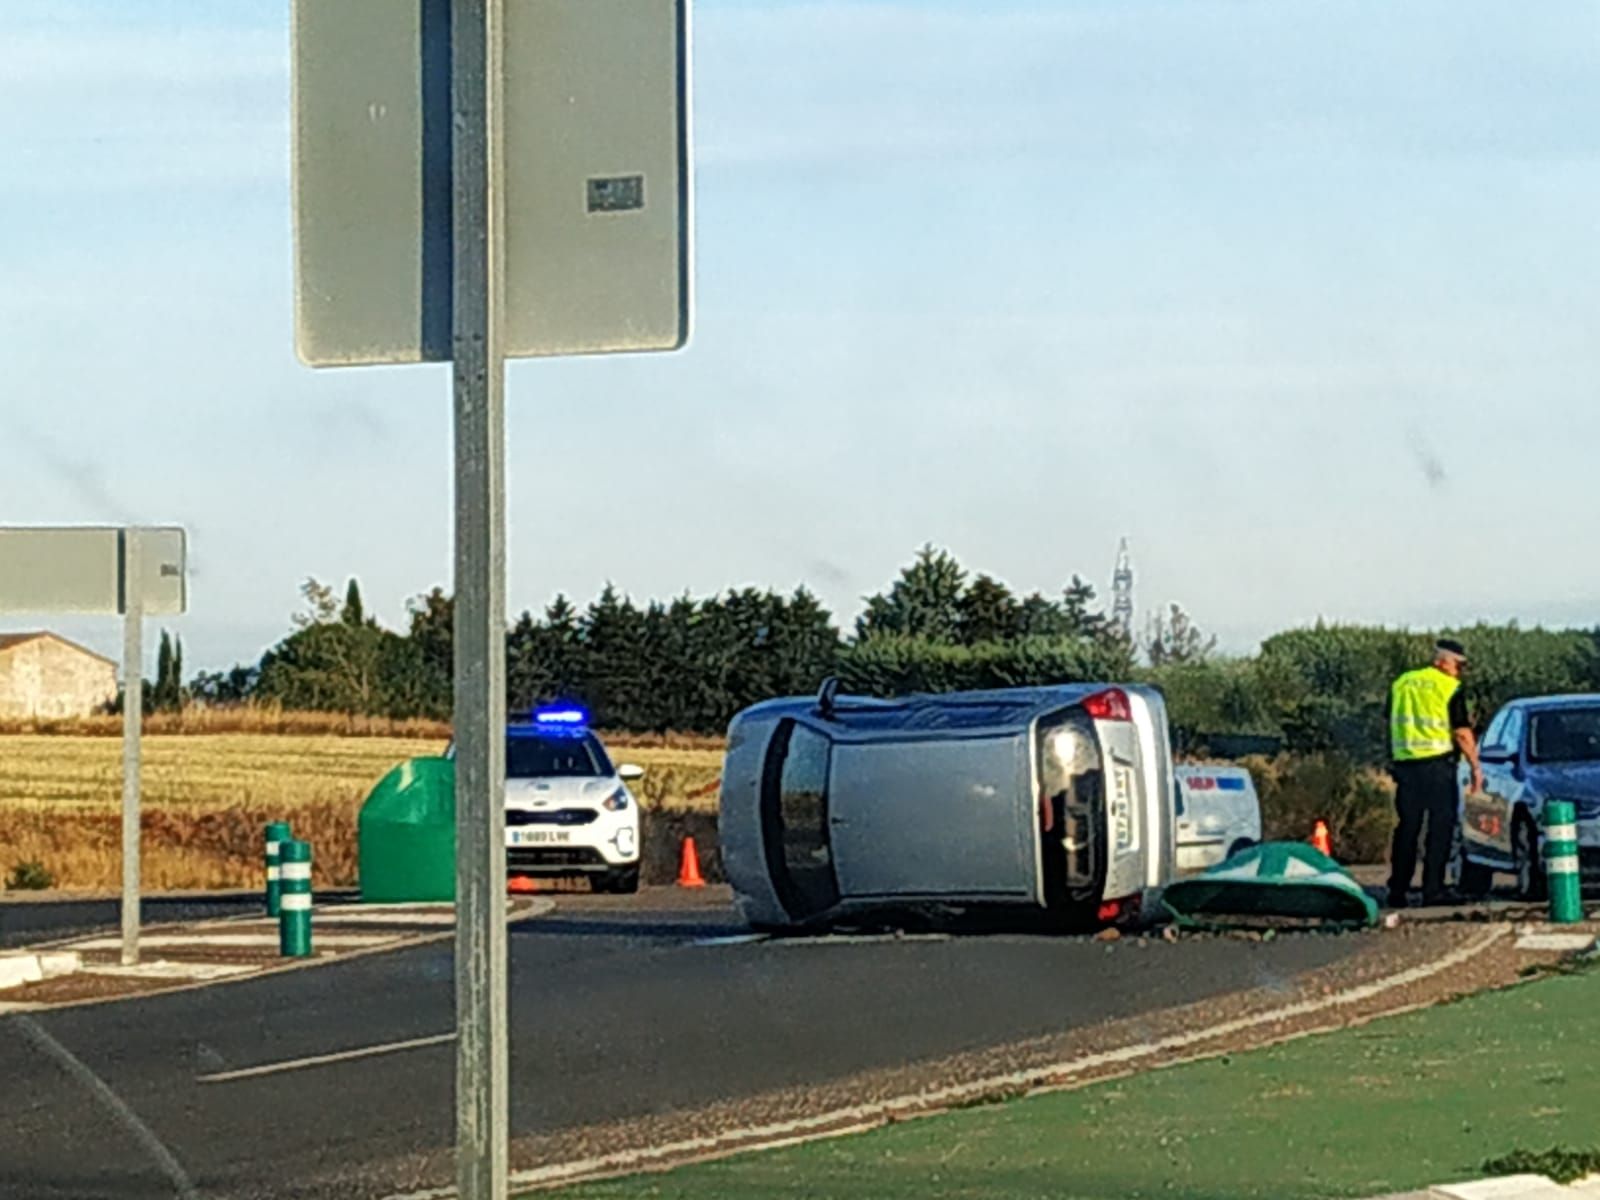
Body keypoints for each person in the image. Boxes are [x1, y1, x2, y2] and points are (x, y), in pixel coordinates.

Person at [1386, 638, 1482, 907]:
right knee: (1440, 827)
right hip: (1437, 765)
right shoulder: (1449, 687)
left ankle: (1398, 889)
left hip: (1405, 764)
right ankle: (1433, 889)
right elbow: (1461, 732)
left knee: (1408, 828)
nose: (1460, 671)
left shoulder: (1402, 683)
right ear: (1442, 661)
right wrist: (1475, 766)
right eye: (1458, 665)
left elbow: (1390, 720)